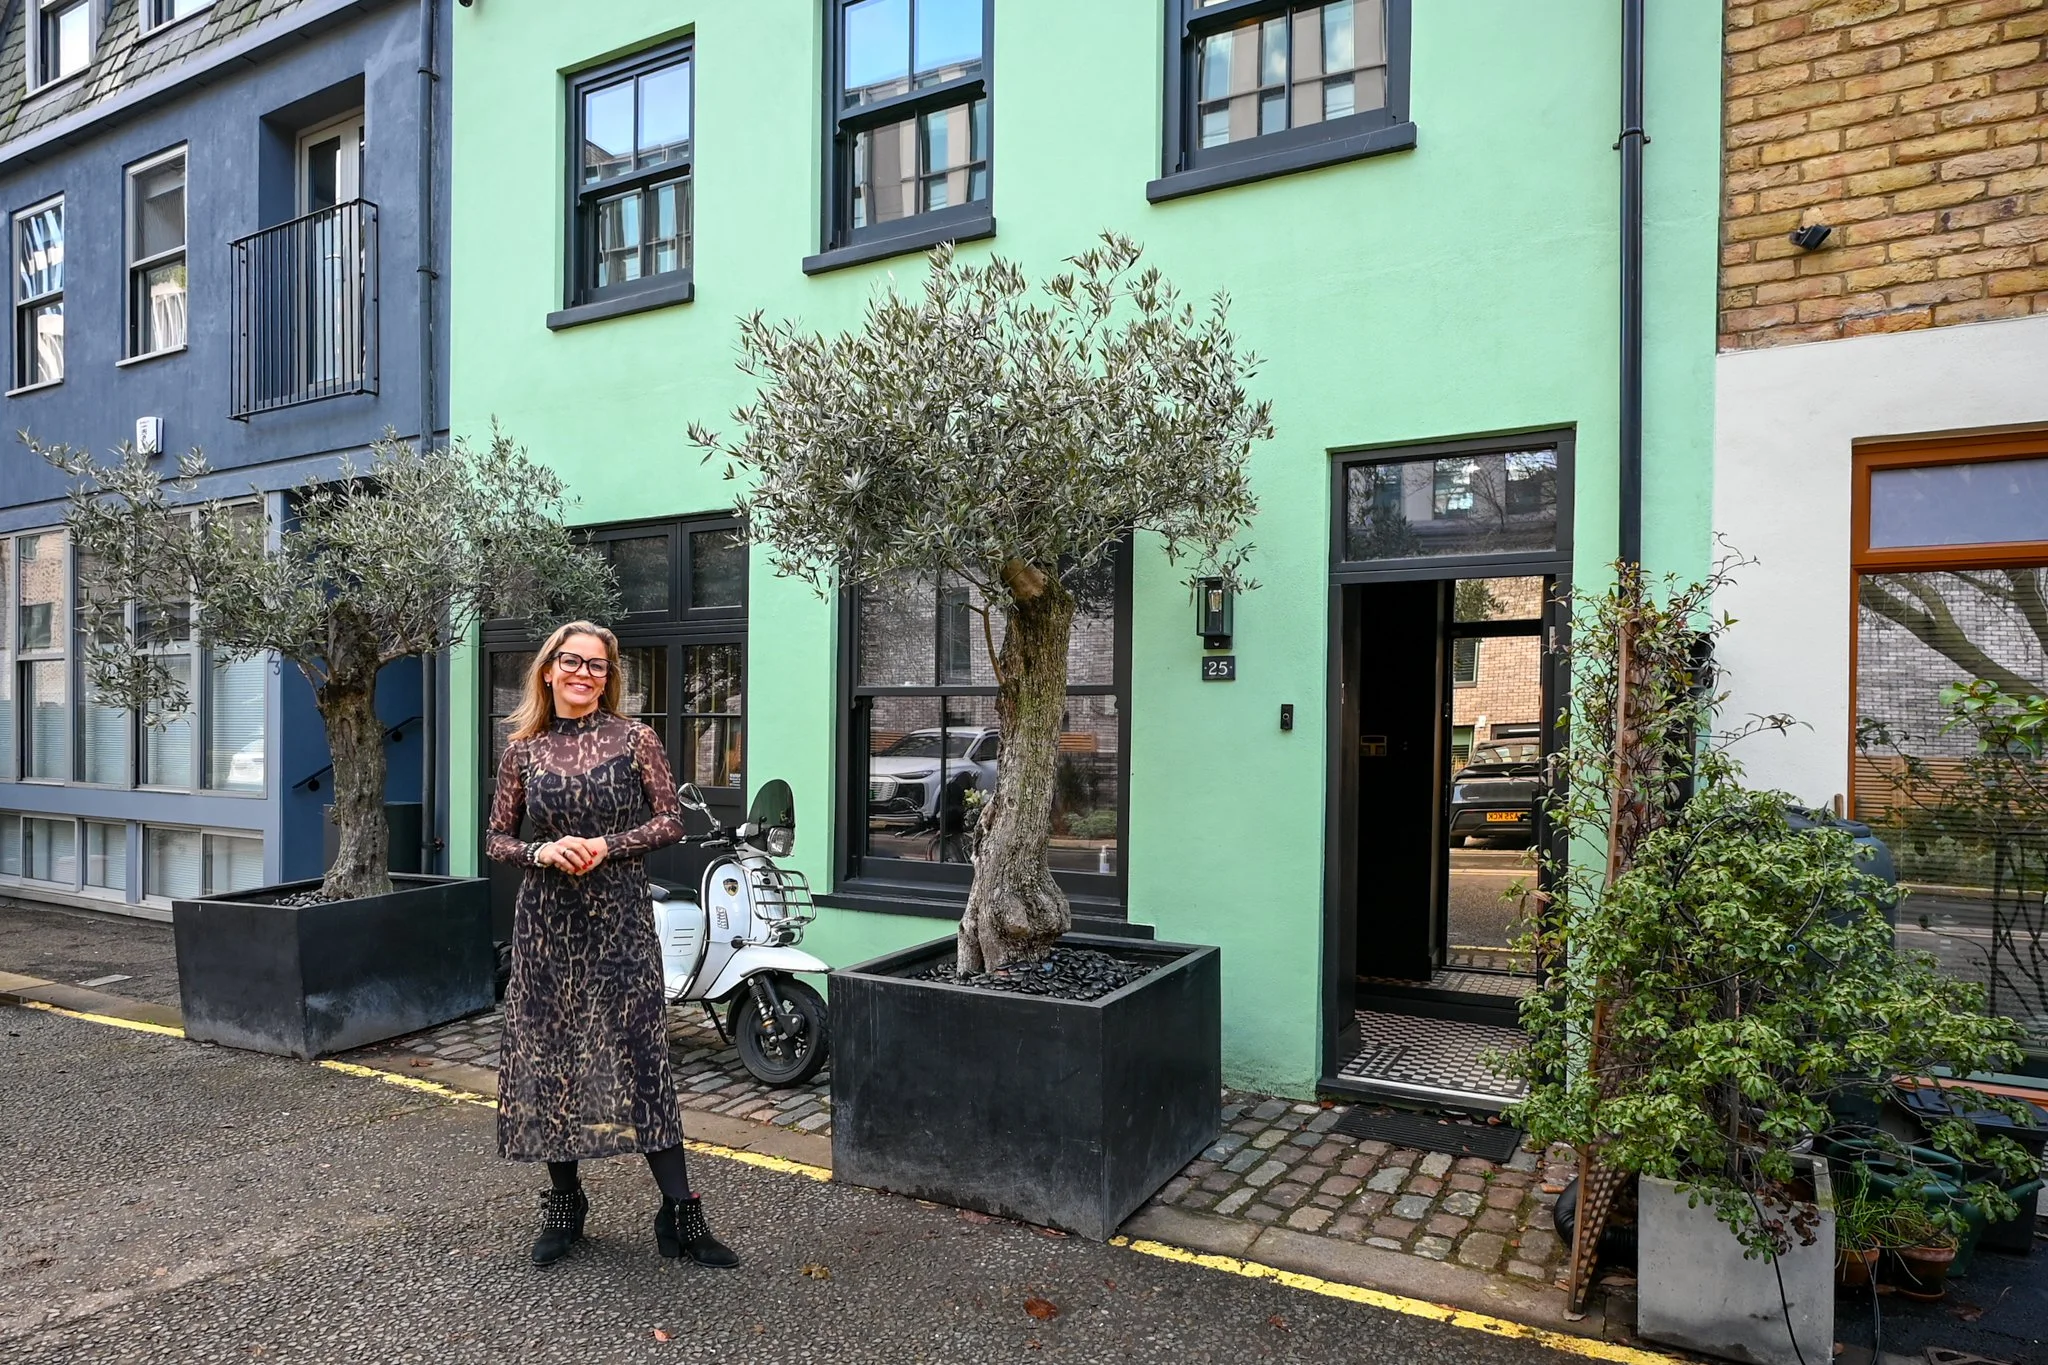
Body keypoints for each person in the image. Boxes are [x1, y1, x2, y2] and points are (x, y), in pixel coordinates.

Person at [485, 620, 739, 1270]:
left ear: (608, 676)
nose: (583, 673)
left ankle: (681, 1211)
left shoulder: (635, 738)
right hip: (546, 924)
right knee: (553, 1061)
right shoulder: (524, 750)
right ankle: (566, 1203)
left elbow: (670, 820)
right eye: (572, 661)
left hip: (621, 919)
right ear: (548, 669)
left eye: (597, 666)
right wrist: (542, 849)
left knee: (642, 1052)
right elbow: (498, 840)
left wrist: (607, 844)